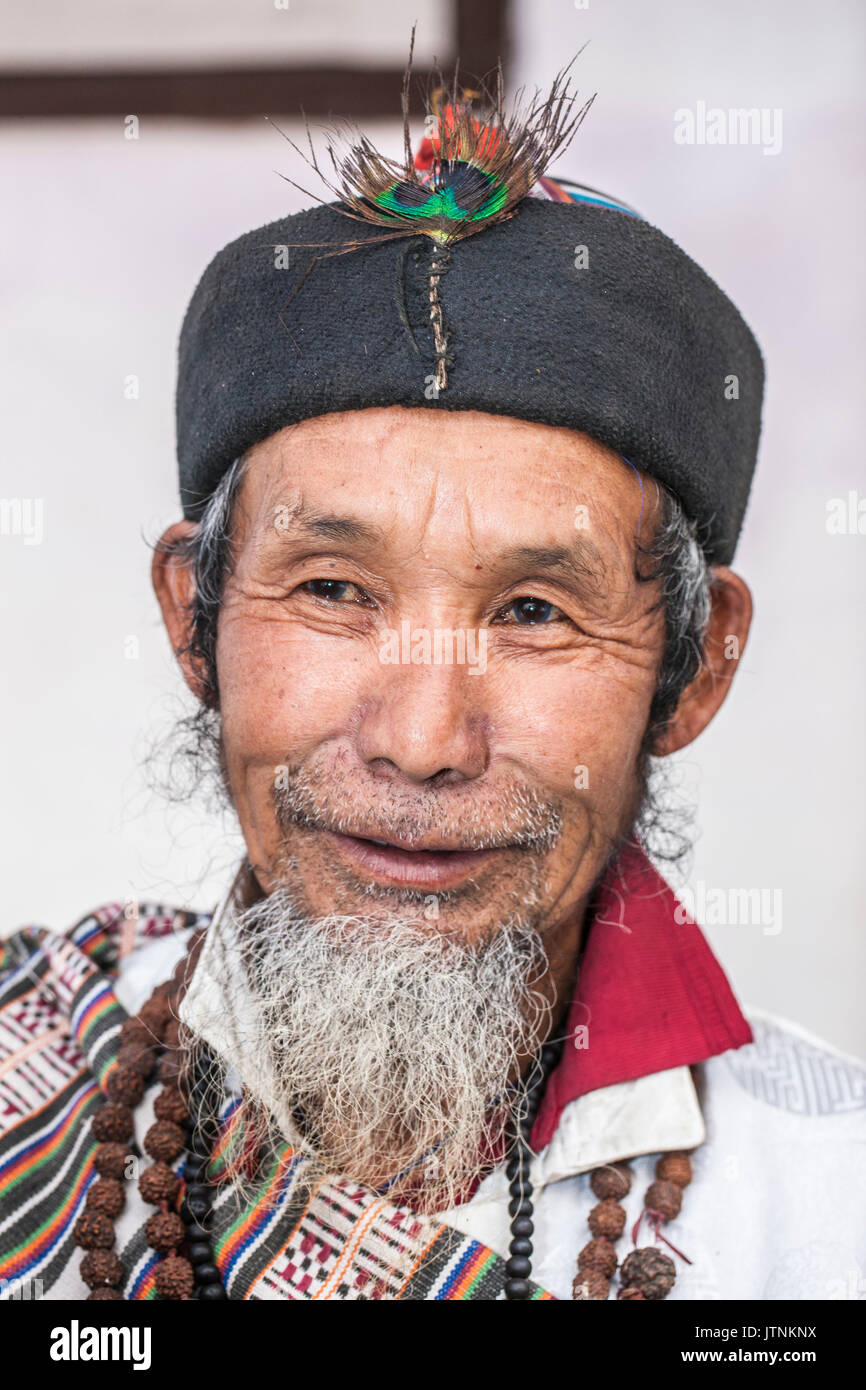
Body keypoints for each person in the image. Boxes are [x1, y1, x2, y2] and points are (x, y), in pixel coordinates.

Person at [1, 67, 862, 1304]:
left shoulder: (830, 1205)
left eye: (531, 612)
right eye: (334, 591)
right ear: (194, 619)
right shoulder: (32, 1060)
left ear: (692, 665)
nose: (418, 739)